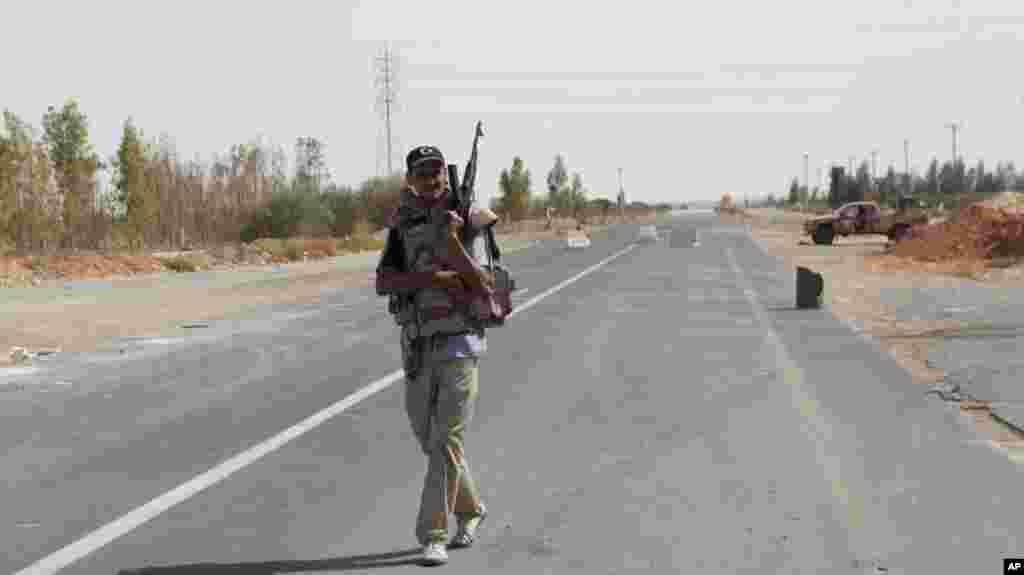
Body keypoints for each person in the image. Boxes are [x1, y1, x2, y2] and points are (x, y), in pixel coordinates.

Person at [375, 144, 497, 566]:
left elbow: (484, 283)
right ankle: (472, 508)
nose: (432, 178)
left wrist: (452, 241)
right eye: (423, 172)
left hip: (459, 344)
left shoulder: (470, 216)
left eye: (438, 170)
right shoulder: (402, 222)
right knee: (430, 439)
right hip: (417, 345)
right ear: (411, 178)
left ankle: (434, 534)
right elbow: (384, 282)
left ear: (447, 173)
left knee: (447, 440)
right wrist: (430, 276)